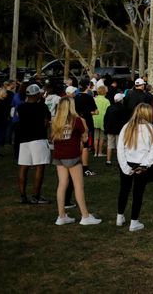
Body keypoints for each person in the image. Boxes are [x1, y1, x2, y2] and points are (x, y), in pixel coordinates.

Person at [51, 98, 102, 226]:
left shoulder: (55, 120)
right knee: (78, 185)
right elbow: (85, 137)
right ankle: (85, 215)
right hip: (72, 156)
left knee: (62, 184)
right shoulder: (77, 120)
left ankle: (61, 215)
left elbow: (52, 137)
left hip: (59, 155)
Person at [116, 103, 153, 231]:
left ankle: (120, 216)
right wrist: (145, 165)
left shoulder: (127, 127)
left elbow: (120, 149)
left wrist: (125, 167)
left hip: (131, 163)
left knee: (124, 190)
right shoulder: (150, 129)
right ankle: (133, 222)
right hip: (140, 164)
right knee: (137, 193)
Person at [16, 84, 51, 204]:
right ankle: (36, 196)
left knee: (23, 167)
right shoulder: (42, 107)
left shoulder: (20, 107)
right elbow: (47, 122)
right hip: (38, 139)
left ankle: (22, 195)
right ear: (36, 95)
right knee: (39, 167)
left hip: (24, 139)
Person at [103, 93, 127, 166]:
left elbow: (105, 119)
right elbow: (125, 120)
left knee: (110, 145)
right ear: (121, 100)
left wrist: (106, 127)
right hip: (119, 130)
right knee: (118, 146)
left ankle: (108, 161)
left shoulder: (110, 108)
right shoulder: (124, 108)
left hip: (110, 129)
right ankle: (119, 161)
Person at [93, 85, 110, 158]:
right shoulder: (107, 101)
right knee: (102, 138)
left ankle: (95, 152)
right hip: (103, 120)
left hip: (95, 119)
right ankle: (100, 152)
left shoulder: (94, 99)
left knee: (96, 137)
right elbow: (108, 111)